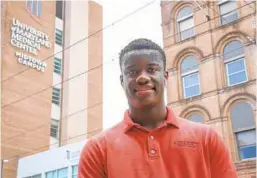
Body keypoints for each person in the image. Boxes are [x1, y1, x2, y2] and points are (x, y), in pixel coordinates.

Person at [78, 38, 237, 178]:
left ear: (165, 77)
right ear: (122, 81)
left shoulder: (207, 139)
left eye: (152, 70)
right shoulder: (97, 149)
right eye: (132, 72)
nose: (142, 77)